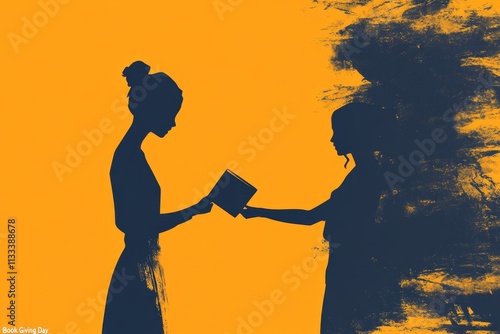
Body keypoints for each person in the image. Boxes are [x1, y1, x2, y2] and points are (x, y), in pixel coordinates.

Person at [242, 102, 395, 333]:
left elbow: (310, 217)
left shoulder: (363, 178)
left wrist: (258, 212)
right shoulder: (367, 173)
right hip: (350, 270)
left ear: (353, 134)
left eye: (338, 132)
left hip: (348, 272)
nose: (333, 139)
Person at [102, 61, 212, 334]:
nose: (173, 122)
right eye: (170, 114)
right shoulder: (128, 157)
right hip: (135, 273)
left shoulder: (132, 154)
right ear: (153, 111)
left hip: (142, 265)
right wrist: (193, 211)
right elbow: (133, 224)